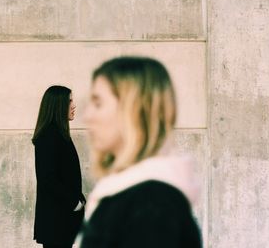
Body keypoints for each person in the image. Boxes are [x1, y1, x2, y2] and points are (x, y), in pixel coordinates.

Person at [76, 57, 202, 247]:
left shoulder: (153, 202)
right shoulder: (135, 192)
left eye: (98, 104)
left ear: (133, 110)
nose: (87, 116)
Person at [32, 85, 86, 248]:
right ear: (57, 105)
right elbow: (47, 179)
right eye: (69, 101)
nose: (73, 105)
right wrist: (74, 202)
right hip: (56, 221)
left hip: (62, 220)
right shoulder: (49, 136)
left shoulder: (58, 134)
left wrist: (79, 200)